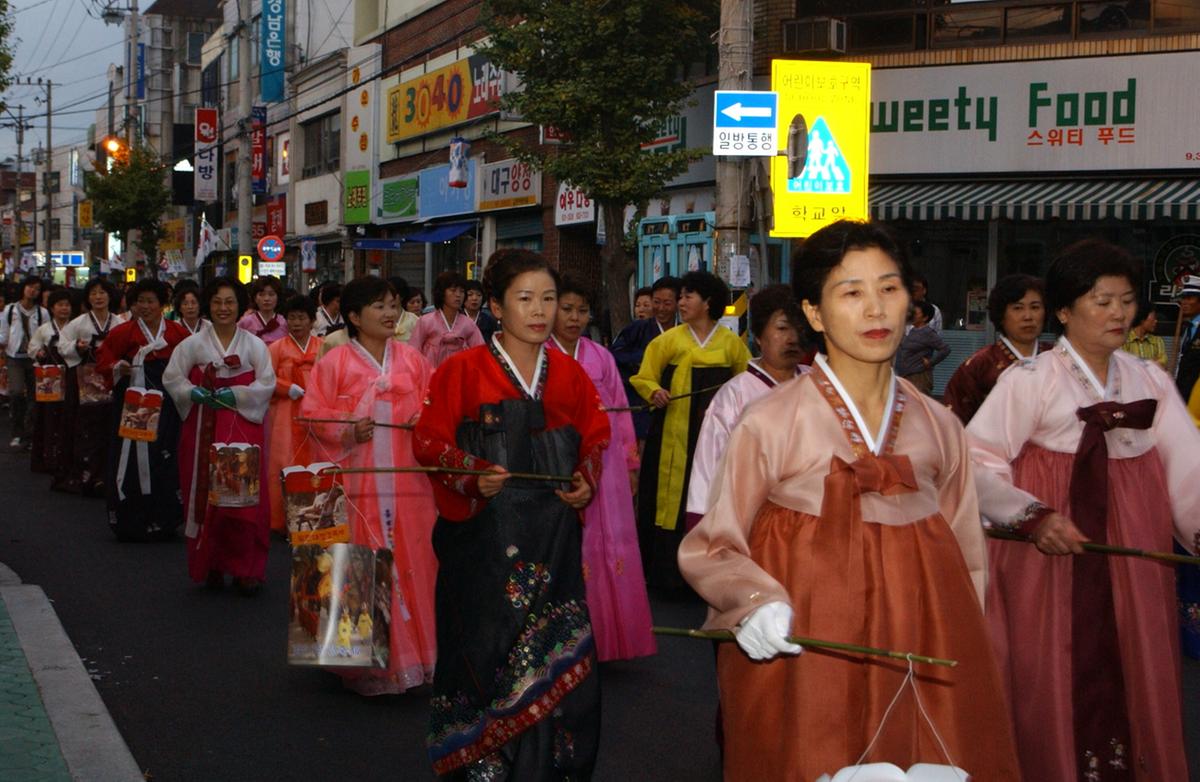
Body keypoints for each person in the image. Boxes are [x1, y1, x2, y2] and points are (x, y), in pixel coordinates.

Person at [679, 219, 1019, 781]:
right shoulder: (768, 422)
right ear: (814, 313)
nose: (875, 309)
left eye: (889, 288)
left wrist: (970, 642)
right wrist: (754, 600)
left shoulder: (939, 427)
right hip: (812, 647)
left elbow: (968, 557)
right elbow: (714, 545)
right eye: (851, 292)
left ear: (911, 300)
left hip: (922, 635)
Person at [967, 238, 1200, 781]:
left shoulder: (1150, 381)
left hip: (1132, 556)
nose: (1119, 313)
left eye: (1125, 300)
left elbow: (1188, 470)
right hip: (1052, 552)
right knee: (1050, 664)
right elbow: (975, 461)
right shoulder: (1029, 381)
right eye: (1102, 300)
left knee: (1139, 656)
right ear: (1066, 311)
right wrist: (1032, 516)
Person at [413, 248, 609, 779]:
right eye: (525, 299)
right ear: (496, 307)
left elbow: (595, 438)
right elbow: (428, 443)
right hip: (482, 546)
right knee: (485, 660)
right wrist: (471, 475)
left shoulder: (570, 376)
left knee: (563, 674)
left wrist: (583, 481)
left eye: (548, 298)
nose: (540, 310)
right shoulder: (460, 371)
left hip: (553, 546)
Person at [302, 276, 438, 695]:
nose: (390, 313)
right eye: (379, 306)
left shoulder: (413, 361)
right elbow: (311, 413)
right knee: (357, 558)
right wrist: (347, 427)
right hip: (356, 484)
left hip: (406, 482)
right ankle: (359, 659)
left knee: (413, 558)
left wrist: (423, 418)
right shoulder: (335, 362)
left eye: (394, 304)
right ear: (355, 317)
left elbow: (435, 402)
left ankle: (416, 655)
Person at [548, 274, 655, 662]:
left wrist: (629, 462)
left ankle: (604, 636)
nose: (575, 318)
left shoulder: (600, 356)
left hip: (605, 460)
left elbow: (621, 413)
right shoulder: (539, 354)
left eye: (582, 311)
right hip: (558, 458)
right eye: (567, 309)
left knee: (605, 544)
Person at [631, 270, 749, 591]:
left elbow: (746, 383)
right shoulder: (667, 341)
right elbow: (644, 377)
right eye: (680, 296)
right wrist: (655, 391)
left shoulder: (730, 344)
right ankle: (666, 577)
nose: (681, 302)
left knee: (708, 498)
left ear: (708, 302)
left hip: (714, 441)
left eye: (688, 296)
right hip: (671, 434)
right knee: (668, 502)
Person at [165, 277, 276, 595]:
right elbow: (172, 377)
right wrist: (192, 391)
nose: (223, 308)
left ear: (240, 305)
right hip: (203, 427)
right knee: (206, 496)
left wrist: (237, 395)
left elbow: (267, 383)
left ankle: (246, 569)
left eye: (229, 302)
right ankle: (210, 563)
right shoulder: (192, 345)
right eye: (216, 302)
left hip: (242, 426)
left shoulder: (254, 346)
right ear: (207, 305)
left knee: (244, 501)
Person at [685, 284, 808, 530]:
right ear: (759, 337)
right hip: (751, 518)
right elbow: (707, 464)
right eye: (782, 328)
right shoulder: (734, 395)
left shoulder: (817, 385)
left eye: (799, 329)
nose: (792, 338)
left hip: (808, 516)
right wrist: (701, 522)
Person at [95, 278, 190, 541]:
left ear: (162, 304)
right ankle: (131, 518)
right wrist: (118, 367)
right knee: (131, 455)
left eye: (151, 301)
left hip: (168, 403)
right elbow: (104, 360)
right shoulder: (122, 332)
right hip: (133, 402)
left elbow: (192, 362)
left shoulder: (176, 333)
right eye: (140, 301)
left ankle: (165, 517)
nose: (145, 306)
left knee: (165, 453)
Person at [943, 274, 1050, 424]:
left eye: (1035, 307)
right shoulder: (978, 366)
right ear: (1001, 315)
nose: (1028, 316)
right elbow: (953, 426)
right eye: (1017, 308)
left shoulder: (1059, 360)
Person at [58, 279, 126, 495]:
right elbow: (62, 344)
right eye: (94, 293)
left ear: (110, 296)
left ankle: (107, 474)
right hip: (84, 382)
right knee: (86, 428)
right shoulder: (79, 323)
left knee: (109, 426)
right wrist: (76, 347)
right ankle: (86, 473)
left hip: (110, 379)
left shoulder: (119, 322)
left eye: (102, 293)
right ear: (88, 298)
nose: (98, 297)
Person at [265, 295, 323, 534]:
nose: (296, 323)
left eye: (301, 318)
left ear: (311, 320)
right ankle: (282, 519)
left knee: (314, 460)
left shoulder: (322, 346)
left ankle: (315, 517)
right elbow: (266, 378)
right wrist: (286, 387)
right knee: (282, 460)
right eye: (291, 318)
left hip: (314, 412)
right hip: (284, 412)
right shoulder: (277, 348)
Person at [611, 276, 681, 447]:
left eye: (667, 303)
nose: (661, 308)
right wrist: (642, 360)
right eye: (656, 302)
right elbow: (615, 355)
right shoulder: (638, 329)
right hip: (642, 404)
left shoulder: (685, 332)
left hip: (675, 402)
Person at [28, 289, 78, 476]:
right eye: (60, 305)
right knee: (48, 415)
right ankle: (48, 457)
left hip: (70, 374)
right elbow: (32, 347)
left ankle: (66, 456)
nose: (64, 309)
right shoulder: (44, 329)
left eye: (67, 305)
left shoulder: (75, 327)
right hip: (49, 377)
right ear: (52, 308)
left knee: (68, 413)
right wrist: (38, 353)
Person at [0, 276, 48, 448]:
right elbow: (4, 332)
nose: (32, 291)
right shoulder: (10, 309)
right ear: (23, 287)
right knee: (16, 393)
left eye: (36, 288)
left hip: (35, 358)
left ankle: (30, 432)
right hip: (14, 357)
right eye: (30, 286)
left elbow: (46, 335)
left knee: (35, 396)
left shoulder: (42, 313)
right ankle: (17, 432)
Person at [407, 271, 484, 368]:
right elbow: (413, 352)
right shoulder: (426, 321)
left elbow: (480, 352)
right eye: (453, 290)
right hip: (431, 377)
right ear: (442, 293)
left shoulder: (468, 324)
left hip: (459, 377)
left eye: (462, 291)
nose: (458, 295)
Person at [893, 300, 950, 395]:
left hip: (919, 377)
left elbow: (945, 349)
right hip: (907, 376)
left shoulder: (928, 333)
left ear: (925, 317)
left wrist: (931, 362)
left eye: (915, 314)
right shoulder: (912, 331)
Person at [1173, 274, 1200, 400]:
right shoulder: (1188, 328)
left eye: (1189, 298)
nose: (1184, 302)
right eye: (1183, 298)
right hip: (1183, 397)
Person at [237, 275, 287, 343]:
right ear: (255, 298)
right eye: (261, 294)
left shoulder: (284, 323)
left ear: (278, 297)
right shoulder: (245, 322)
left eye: (271, 294)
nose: (266, 299)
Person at [1122, 299, 1167, 367]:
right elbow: (1124, 364)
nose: (1156, 321)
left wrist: (1139, 364)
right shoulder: (1124, 340)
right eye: (1154, 317)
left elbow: (1163, 361)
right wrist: (1151, 362)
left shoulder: (1158, 341)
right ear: (1142, 319)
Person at [463, 279, 499, 343]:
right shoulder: (457, 318)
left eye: (479, 295)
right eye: (470, 295)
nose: (474, 298)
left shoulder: (489, 320)